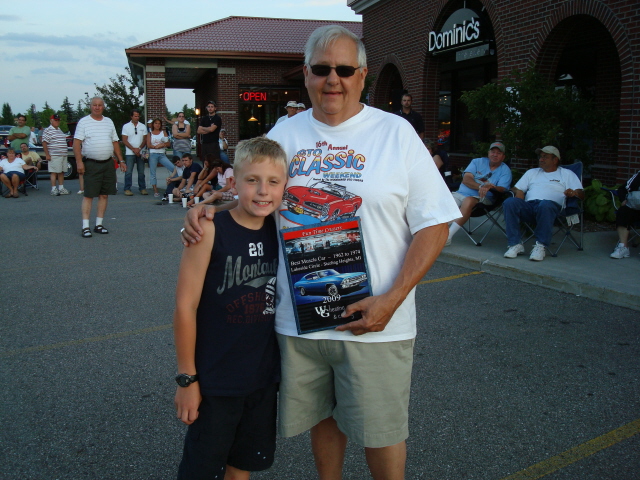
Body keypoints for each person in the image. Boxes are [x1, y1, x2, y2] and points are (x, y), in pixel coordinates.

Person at [182, 24, 460, 479]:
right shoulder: (285, 133)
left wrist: (391, 301)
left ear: (363, 75)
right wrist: (209, 208)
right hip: (301, 322)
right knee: (323, 421)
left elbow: (435, 223)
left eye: (345, 69)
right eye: (322, 69)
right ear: (306, 74)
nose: (334, 79)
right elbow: (258, 195)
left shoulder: (396, 133)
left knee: (382, 432)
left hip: (376, 323)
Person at [174, 136, 287, 480]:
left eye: (273, 182)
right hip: (215, 380)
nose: (263, 191)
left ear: (285, 186)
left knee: (243, 464)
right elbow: (184, 305)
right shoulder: (209, 230)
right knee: (203, 468)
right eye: (252, 180)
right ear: (233, 182)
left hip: (262, 379)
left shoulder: (283, 229)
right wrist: (187, 378)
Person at [503, 145, 583, 261]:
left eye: (545, 157)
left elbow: (581, 194)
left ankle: (541, 246)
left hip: (552, 209)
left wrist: (573, 193)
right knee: (510, 202)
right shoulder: (532, 172)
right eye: (540, 157)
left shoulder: (567, 174)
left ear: (555, 160)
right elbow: (516, 188)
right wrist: (519, 191)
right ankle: (515, 244)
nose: (541, 159)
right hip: (530, 207)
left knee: (545, 205)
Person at [73, 96, 126, 238]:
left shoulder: (109, 122)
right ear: (90, 106)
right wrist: (79, 162)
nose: (97, 107)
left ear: (103, 107)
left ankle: (99, 224)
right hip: (91, 163)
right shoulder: (84, 122)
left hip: (108, 163)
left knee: (104, 194)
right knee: (89, 195)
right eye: (94, 105)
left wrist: (121, 160)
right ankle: (85, 226)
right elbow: (76, 143)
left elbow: (115, 142)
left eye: (100, 105)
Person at [446, 142, 512, 245]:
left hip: (482, 199)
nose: (495, 155)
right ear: (488, 153)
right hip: (461, 193)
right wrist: (481, 186)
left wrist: (492, 187)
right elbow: (466, 180)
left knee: (468, 201)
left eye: (499, 153)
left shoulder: (505, 170)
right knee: (446, 204)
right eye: (493, 152)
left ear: (503, 157)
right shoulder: (477, 162)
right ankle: (434, 233)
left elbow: (502, 189)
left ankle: (448, 236)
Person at [610, 171, 640, 259]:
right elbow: (622, 189)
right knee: (623, 211)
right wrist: (623, 199)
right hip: (636, 208)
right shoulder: (638, 176)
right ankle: (623, 247)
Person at [121, 109, 148, 196]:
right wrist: (133, 149)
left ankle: (142, 188)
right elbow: (124, 140)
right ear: (131, 116)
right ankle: (127, 188)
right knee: (128, 171)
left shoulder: (143, 126)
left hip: (141, 152)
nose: (137, 118)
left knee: (141, 172)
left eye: (138, 116)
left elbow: (145, 139)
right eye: (135, 116)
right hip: (130, 152)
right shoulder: (126, 126)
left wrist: (139, 148)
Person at [42, 114, 70, 195]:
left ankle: (61, 188)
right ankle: (53, 189)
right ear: (51, 121)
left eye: (58, 120)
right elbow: (44, 142)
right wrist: (47, 154)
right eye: (55, 120)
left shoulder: (59, 130)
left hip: (63, 155)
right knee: (54, 172)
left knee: (61, 172)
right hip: (55, 155)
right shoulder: (48, 130)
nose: (57, 122)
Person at [146, 118, 175, 197]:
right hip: (153, 154)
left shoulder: (163, 132)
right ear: (153, 124)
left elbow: (168, 144)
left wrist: (162, 145)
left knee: (173, 168)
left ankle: (172, 183)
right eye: (156, 123)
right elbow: (148, 145)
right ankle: (155, 190)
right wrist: (156, 147)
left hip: (162, 154)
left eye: (159, 123)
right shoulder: (150, 134)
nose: (157, 125)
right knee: (153, 173)